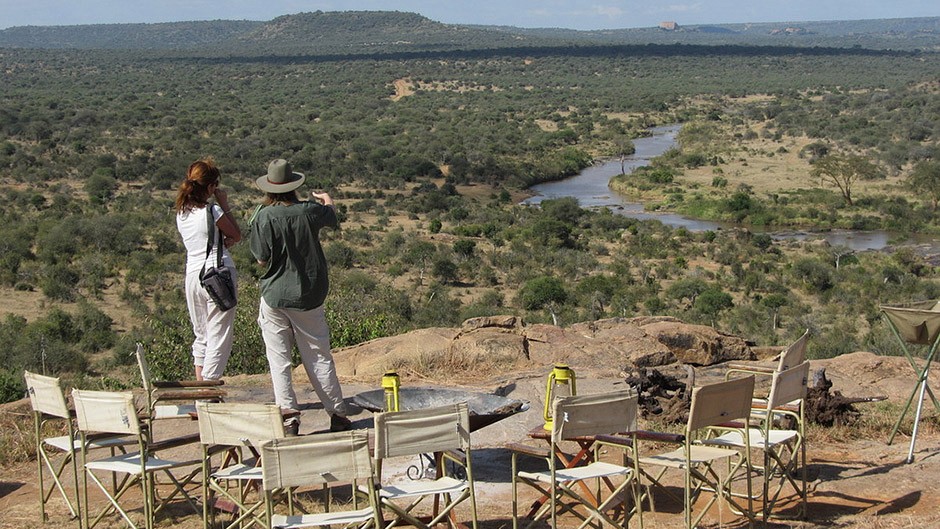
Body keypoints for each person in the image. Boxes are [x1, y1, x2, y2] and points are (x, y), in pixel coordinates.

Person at [249, 158, 351, 434]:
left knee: (278, 357)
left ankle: (289, 417)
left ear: (269, 188)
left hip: (274, 295)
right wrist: (328, 200)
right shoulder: (309, 211)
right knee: (318, 355)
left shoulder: (263, 216)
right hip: (309, 294)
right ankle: (338, 415)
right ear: (294, 185)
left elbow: (261, 259)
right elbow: (331, 216)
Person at [174, 157, 242, 380]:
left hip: (192, 275)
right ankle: (208, 387)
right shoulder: (212, 210)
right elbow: (236, 234)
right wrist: (224, 204)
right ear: (211, 187)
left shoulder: (181, 212)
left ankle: (200, 385)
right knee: (219, 334)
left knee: (201, 333)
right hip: (217, 273)